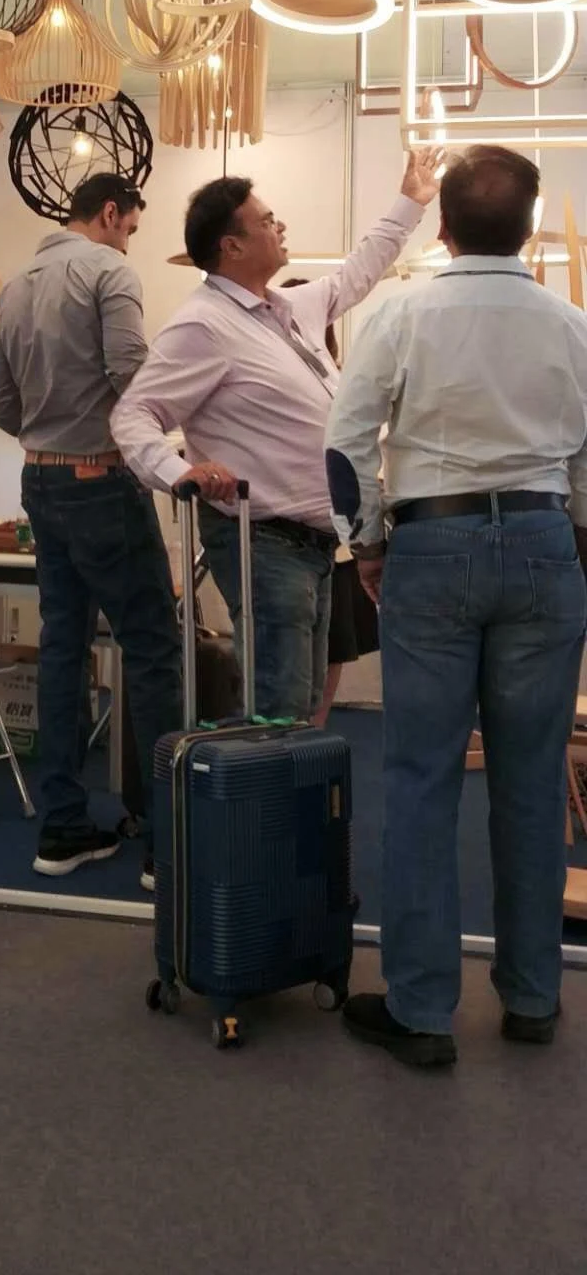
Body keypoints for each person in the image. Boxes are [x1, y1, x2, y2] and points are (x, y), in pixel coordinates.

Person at [326, 143, 587, 1069]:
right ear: (530, 226)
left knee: (421, 778)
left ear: (441, 226)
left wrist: (366, 543)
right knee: (532, 779)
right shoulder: (572, 325)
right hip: (544, 542)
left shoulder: (402, 314)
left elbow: (346, 441)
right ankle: (532, 998)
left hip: (431, 547)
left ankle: (422, 1009)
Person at [111, 151, 438, 722]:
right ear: (231, 247)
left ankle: (287, 782)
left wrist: (410, 201)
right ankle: (267, 785)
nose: (279, 226)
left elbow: (360, 270)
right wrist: (180, 474)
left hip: (312, 542)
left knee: (302, 706)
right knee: (279, 709)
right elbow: (132, 416)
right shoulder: (202, 325)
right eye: (266, 221)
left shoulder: (288, 307)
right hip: (264, 542)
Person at [0, 171, 182, 890]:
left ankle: (62, 828)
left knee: (62, 651)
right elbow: (134, 374)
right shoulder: (109, 272)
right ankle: (167, 844)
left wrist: (50, 434)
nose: (129, 240)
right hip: (103, 482)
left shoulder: (12, 288)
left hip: (40, 482)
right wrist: (178, 435)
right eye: (130, 227)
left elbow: (0, 405)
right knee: (153, 650)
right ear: (110, 213)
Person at [280, 278, 380, 729]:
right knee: (303, 640)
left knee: (336, 638)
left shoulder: (334, 373)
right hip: (299, 521)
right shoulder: (276, 369)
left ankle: (316, 726)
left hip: (334, 525)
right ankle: (303, 729)